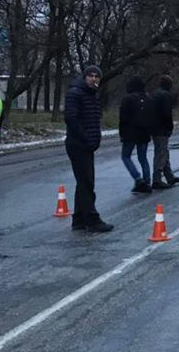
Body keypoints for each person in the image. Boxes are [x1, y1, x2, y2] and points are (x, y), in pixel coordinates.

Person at [64, 66, 114, 233]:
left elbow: (93, 119)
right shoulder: (75, 93)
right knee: (87, 182)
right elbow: (71, 118)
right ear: (85, 77)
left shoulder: (91, 94)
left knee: (83, 182)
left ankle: (79, 219)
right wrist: (85, 138)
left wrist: (95, 138)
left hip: (87, 144)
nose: (94, 79)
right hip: (78, 144)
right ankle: (92, 219)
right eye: (91, 76)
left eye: (97, 76)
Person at [119, 76, 154, 194]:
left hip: (130, 133)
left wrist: (122, 133)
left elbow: (123, 118)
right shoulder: (149, 98)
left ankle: (138, 179)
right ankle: (147, 181)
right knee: (143, 158)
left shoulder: (127, 99)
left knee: (126, 156)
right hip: (144, 132)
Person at [151, 74, 179, 189]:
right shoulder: (166, 96)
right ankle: (157, 178)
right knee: (161, 153)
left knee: (163, 151)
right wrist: (170, 127)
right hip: (162, 128)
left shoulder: (154, 94)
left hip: (154, 127)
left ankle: (169, 176)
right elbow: (167, 114)